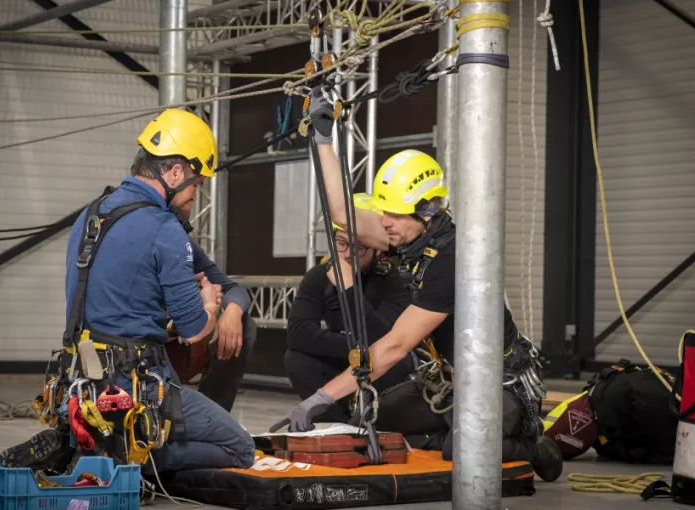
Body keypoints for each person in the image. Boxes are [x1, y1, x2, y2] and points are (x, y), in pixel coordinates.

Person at [270, 87, 562, 481]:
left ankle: (530, 442)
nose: (384, 222)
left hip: (501, 385)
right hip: (453, 382)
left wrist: (321, 398)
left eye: (393, 214)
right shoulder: (408, 235)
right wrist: (323, 137)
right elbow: (342, 214)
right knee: (377, 417)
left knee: (462, 450)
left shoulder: (454, 260)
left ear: (426, 212)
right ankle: (450, 428)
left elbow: (394, 346)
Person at [0, 109, 255, 474]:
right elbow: (194, 329)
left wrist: (232, 309)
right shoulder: (163, 227)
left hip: (79, 385)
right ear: (176, 172)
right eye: (197, 184)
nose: (195, 196)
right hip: (135, 389)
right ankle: (119, 457)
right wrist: (211, 307)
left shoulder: (91, 215)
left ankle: (82, 443)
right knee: (241, 448)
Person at [285, 194, 416, 424]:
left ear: (377, 249)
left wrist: (348, 288)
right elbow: (298, 334)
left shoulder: (391, 280)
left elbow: (385, 340)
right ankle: (337, 426)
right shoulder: (320, 275)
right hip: (351, 359)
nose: (346, 254)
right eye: (341, 242)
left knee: (396, 363)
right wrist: (353, 346)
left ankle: (373, 419)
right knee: (296, 358)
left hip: (384, 367)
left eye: (358, 247)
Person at [165, 237, 258, 414]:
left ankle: (213, 413)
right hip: (137, 337)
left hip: (177, 335)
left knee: (244, 325)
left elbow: (232, 289)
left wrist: (232, 312)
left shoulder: (181, 241)